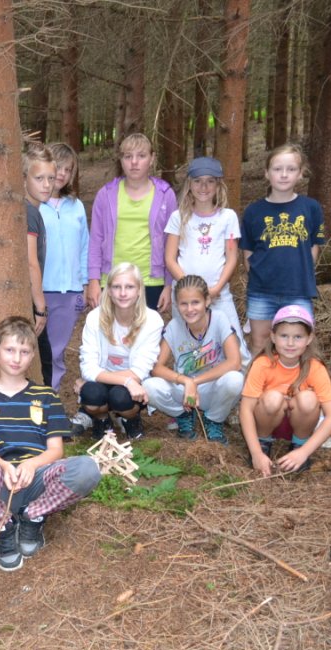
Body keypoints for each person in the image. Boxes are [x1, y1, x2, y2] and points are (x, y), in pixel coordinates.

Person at [0, 316, 101, 572]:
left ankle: (33, 516)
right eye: (10, 350)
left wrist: (31, 465)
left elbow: (56, 450)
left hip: (37, 481)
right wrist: (5, 467)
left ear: (32, 355)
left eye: (24, 351)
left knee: (88, 468)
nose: (16, 358)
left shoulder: (47, 396)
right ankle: (3, 525)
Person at [240, 143, 326, 356]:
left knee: (298, 345)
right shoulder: (254, 211)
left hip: (298, 290)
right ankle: (260, 378)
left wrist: (303, 273)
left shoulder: (311, 208)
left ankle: (298, 378)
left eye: (291, 169)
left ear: (300, 173)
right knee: (260, 342)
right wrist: (260, 277)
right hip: (261, 291)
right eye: (277, 169)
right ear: (267, 173)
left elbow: (314, 246)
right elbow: (248, 253)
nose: (284, 174)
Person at [163, 156, 249, 365]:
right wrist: (189, 288)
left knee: (236, 346)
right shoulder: (178, 217)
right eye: (198, 181)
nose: (204, 187)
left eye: (210, 181)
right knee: (190, 349)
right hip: (185, 295)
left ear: (218, 185)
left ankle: (240, 382)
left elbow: (231, 258)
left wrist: (217, 288)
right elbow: (170, 258)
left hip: (218, 294)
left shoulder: (227, 217)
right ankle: (194, 383)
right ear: (189, 184)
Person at [240, 305, 331, 476]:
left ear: (309, 338)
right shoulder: (263, 364)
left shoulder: (315, 367)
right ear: (273, 336)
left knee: (308, 399)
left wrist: (304, 452)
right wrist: (256, 453)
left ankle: (298, 445)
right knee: (272, 398)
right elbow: (245, 409)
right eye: (284, 336)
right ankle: (263, 444)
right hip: (266, 420)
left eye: (298, 337)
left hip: (300, 423)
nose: (290, 343)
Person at [144, 275, 244, 444]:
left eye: (195, 302)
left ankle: (214, 419)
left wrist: (195, 382)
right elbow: (156, 367)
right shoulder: (174, 326)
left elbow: (235, 362)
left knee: (235, 380)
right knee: (149, 386)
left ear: (207, 301)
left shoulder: (219, 319)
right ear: (177, 304)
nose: (190, 309)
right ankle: (183, 414)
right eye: (184, 303)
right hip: (186, 394)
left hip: (213, 388)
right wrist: (185, 381)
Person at [88, 133, 177, 312]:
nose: (134, 162)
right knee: (111, 329)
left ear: (152, 159)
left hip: (151, 280)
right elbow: (96, 240)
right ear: (121, 160)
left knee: (146, 329)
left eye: (141, 156)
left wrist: (169, 284)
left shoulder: (165, 195)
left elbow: (172, 243)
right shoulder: (106, 194)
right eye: (128, 156)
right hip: (112, 279)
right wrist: (93, 280)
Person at [77, 263, 163, 440]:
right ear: (108, 290)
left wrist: (103, 378)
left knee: (119, 397)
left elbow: (139, 371)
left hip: (128, 386)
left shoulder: (153, 321)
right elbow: (88, 368)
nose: (123, 293)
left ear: (139, 290)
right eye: (117, 287)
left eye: (129, 287)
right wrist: (126, 381)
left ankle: (130, 419)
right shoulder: (95, 318)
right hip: (107, 383)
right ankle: (102, 420)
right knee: (91, 393)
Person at [39, 142, 89, 392]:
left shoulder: (76, 206)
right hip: (41, 289)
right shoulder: (34, 204)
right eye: (58, 167)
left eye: (68, 170)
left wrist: (85, 284)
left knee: (57, 350)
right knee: (37, 347)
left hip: (69, 291)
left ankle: (51, 395)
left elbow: (84, 247)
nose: (62, 174)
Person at [23, 143, 54, 351]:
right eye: (39, 178)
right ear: (24, 178)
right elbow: (31, 261)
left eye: (51, 178)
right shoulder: (29, 212)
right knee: (44, 359)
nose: (47, 185)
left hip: (29, 297)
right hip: (29, 300)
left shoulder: (33, 210)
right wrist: (40, 306)